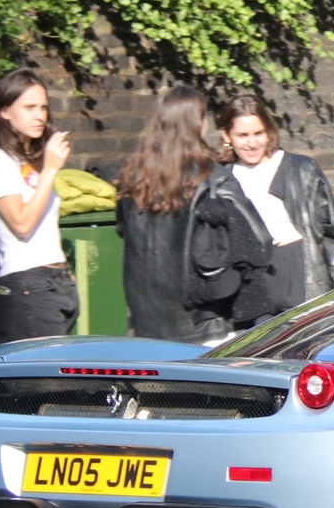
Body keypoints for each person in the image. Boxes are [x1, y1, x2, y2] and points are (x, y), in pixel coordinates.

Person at [114, 85, 268, 343]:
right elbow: (257, 242)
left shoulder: (132, 181)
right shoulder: (213, 178)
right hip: (205, 323)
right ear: (198, 123)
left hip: (146, 323)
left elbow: (122, 231)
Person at [212, 93, 334, 325]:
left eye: (258, 133)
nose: (252, 143)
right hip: (249, 284)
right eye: (242, 135)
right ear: (226, 135)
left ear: (269, 132)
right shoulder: (220, 179)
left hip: (299, 273)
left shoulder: (301, 169)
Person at [0, 67, 78, 342]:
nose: (40, 116)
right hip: (27, 285)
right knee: (46, 382)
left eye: (43, 107)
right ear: (5, 111)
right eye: (30, 107)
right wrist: (50, 170)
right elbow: (21, 224)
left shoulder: (29, 163)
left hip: (56, 283)